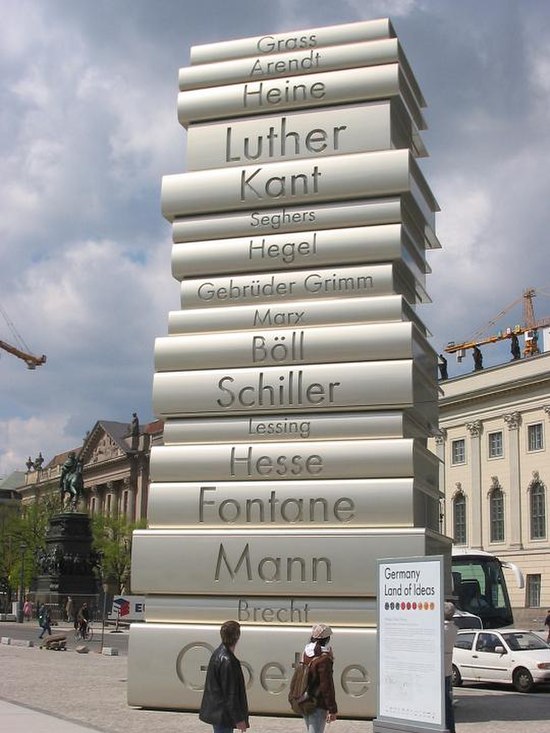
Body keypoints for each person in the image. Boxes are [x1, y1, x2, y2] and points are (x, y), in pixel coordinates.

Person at [199, 620, 249, 733]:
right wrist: (239, 719)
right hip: (223, 716)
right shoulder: (228, 661)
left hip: (218, 714)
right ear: (237, 637)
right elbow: (231, 694)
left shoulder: (217, 654)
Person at [301, 623, 337, 733]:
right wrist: (332, 709)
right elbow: (326, 686)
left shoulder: (306, 652)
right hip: (317, 703)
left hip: (305, 699)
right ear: (327, 638)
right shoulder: (324, 659)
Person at [444, 602, 457, 733]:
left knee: (445, 704)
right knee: (447, 702)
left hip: (440, 671)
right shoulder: (454, 628)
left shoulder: (443, 629)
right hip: (447, 670)